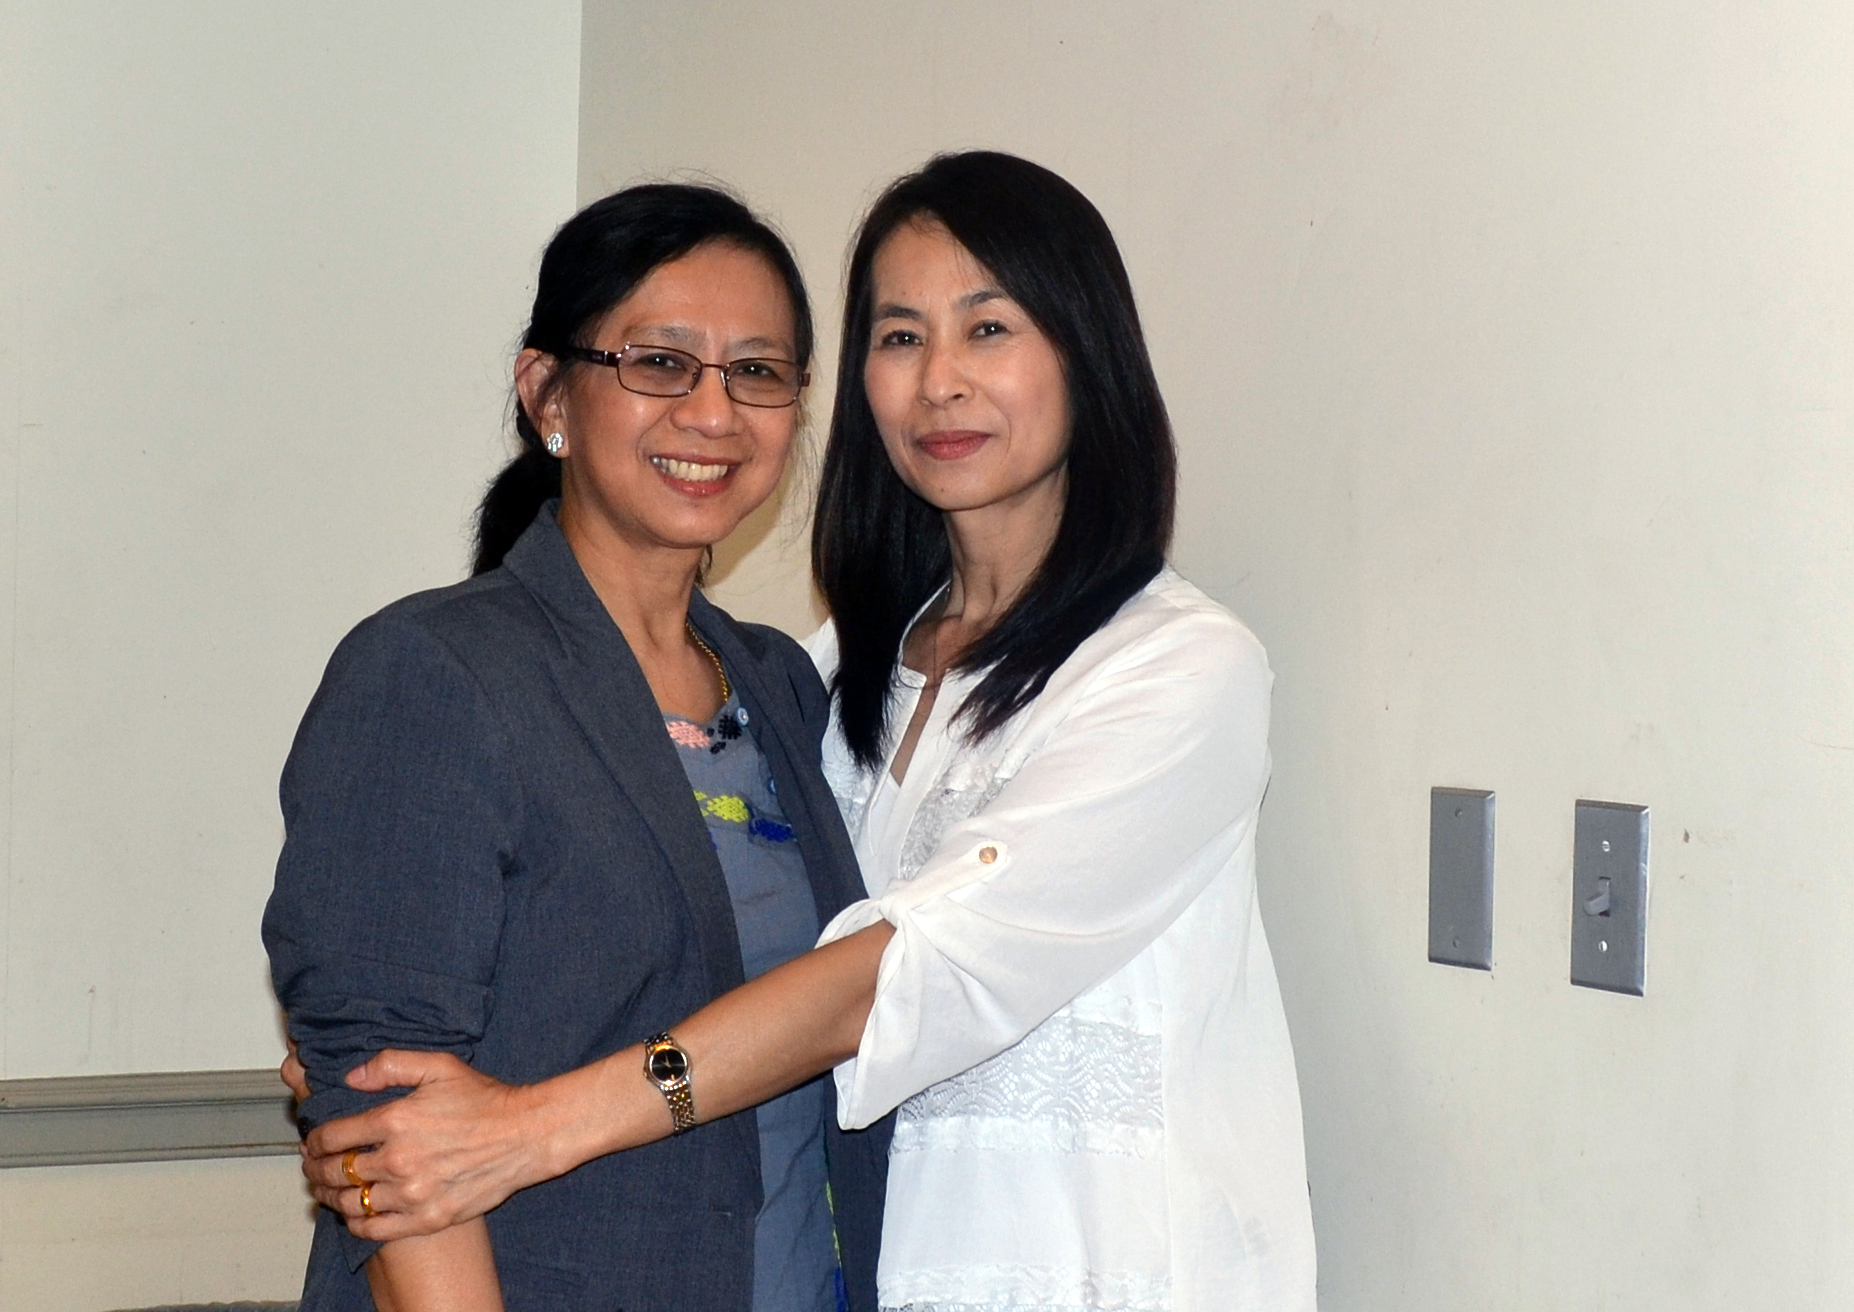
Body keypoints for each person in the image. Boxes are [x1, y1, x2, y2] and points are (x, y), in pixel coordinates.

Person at [293, 151, 1317, 1311]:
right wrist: (355, 1053)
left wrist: (527, 1125)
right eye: (900, 336)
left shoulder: (1171, 669)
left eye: (989, 329)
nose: (940, 381)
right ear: (549, 396)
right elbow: (393, 1054)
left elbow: (899, 977)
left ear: (1090, 357)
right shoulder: (827, 675)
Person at [261, 182, 892, 1312]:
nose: (714, 412)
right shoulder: (433, 673)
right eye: (660, 363)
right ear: (548, 392)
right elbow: (382, 1119)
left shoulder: (782, 685)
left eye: (757, 371)